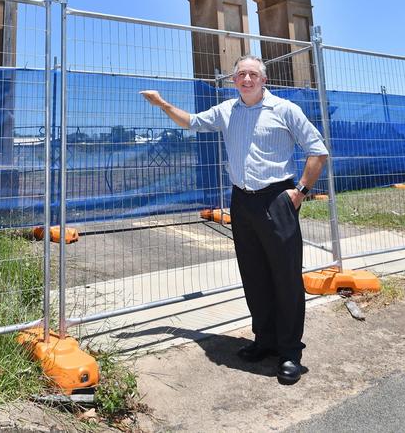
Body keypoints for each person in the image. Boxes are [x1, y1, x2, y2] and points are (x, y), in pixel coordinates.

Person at [140, 54, 328, 385]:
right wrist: (162, 104)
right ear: (234, 80)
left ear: (263, 80)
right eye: (241, 74)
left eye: (253, 74)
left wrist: (300, 191)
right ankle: (264, 341)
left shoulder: (285, 110)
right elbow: (192, 122)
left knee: (285, 277)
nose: (246, 79)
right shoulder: (227, 111)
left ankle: (289, 352)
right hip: (242, 202)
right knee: (254, 275)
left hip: (277, 199)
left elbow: (318, 150)